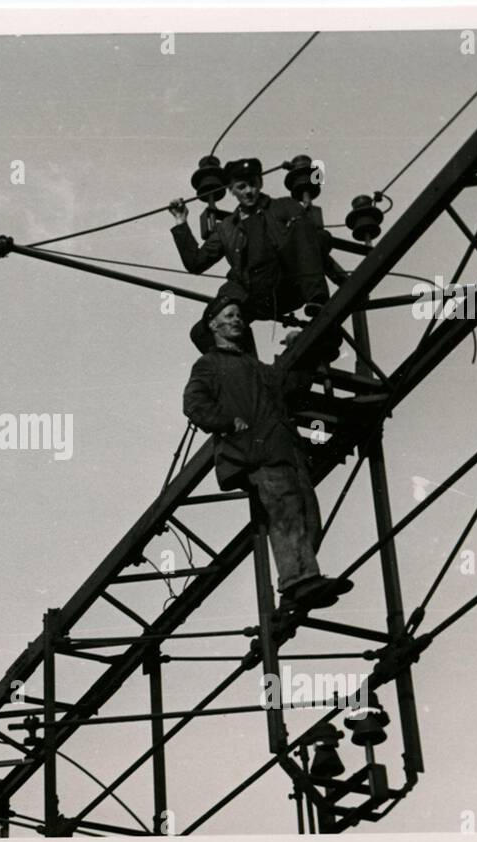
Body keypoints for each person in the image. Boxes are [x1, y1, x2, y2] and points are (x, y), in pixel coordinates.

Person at [182, 295, 351, 610]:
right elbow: (194, 403)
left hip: (285, 449)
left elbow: (287, 386)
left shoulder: (255, 367)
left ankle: (298, 583)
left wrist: (300, 349)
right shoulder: (209, 364)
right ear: (213, 324)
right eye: (229, 315)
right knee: (285, 509)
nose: (237, 320)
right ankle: (298, 580)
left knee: (308, 515)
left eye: (239, 317)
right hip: (256, 452)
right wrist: (228, 423)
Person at [169, 157, 332, 327]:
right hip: (251, 297)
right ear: (231, 190)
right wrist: (181, 221)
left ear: (260, 183)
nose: (248, 191)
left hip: (285, 287)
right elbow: (195, 263)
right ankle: (238, 353)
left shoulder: (285, 206)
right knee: (203, 331)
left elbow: (310, 242)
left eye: (252, 184)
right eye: (241, 187)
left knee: (303, 227)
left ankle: (317, 297)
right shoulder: (226, 228)